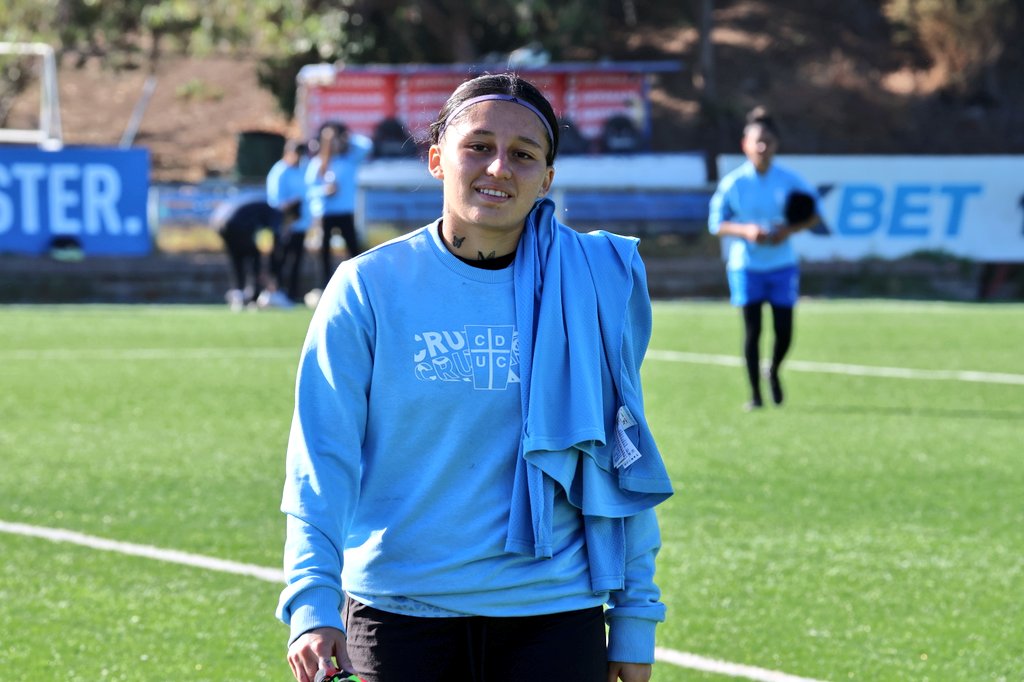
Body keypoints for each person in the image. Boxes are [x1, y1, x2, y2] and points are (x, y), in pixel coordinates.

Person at [276, 73, 674, 682]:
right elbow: (321, 459)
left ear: (547, 178)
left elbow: (620, 455)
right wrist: (311, 599)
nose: (498, 168)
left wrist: (635, 617)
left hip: (555, 613)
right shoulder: (368, 287)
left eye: (523, 154)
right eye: (477, 146)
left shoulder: (596, 280)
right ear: (437, 159)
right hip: (399, 613)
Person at [708, 106, 822, 410]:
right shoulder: (734, 183)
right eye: (756, 141)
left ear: (776, 145)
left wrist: (790, 230)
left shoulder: (790, 180)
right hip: (746, 266)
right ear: (745, 145)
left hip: (782, 265)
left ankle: (773, 369)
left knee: (784, 331)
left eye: (767, 141)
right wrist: (745, 230)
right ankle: (755, 395)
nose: (762, 147)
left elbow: (814, 215)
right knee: (753, 331)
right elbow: (716, 223)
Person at [304, 121, 374, 290]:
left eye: (336, 139)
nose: (333, 143)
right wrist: (323, 190)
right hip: (326, 214)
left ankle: (362, 285)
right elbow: (308, 191)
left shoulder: (349, 160)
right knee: (324, 254)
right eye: (330, 140)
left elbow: (367, 146)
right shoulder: (318, 164)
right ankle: (324, 286)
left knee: (354, 250)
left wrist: (346, 137)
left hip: (345, 213)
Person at [208, 194, 282, 310]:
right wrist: (272, 269)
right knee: (254, 257)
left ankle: (238, 293)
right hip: (236, 224)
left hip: (219, 223)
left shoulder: (259, 205)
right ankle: (253, 295)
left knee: (237, 258)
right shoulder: (276, 213)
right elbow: (276, 238)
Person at [267, 138, 311, 303]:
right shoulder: (279, 171)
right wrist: (294, 202)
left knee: (296, 261)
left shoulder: (301, 170)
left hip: (300, 224)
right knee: (280, 260)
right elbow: (276, 203)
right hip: (284, 225)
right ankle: (275, 292)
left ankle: (292, 294)